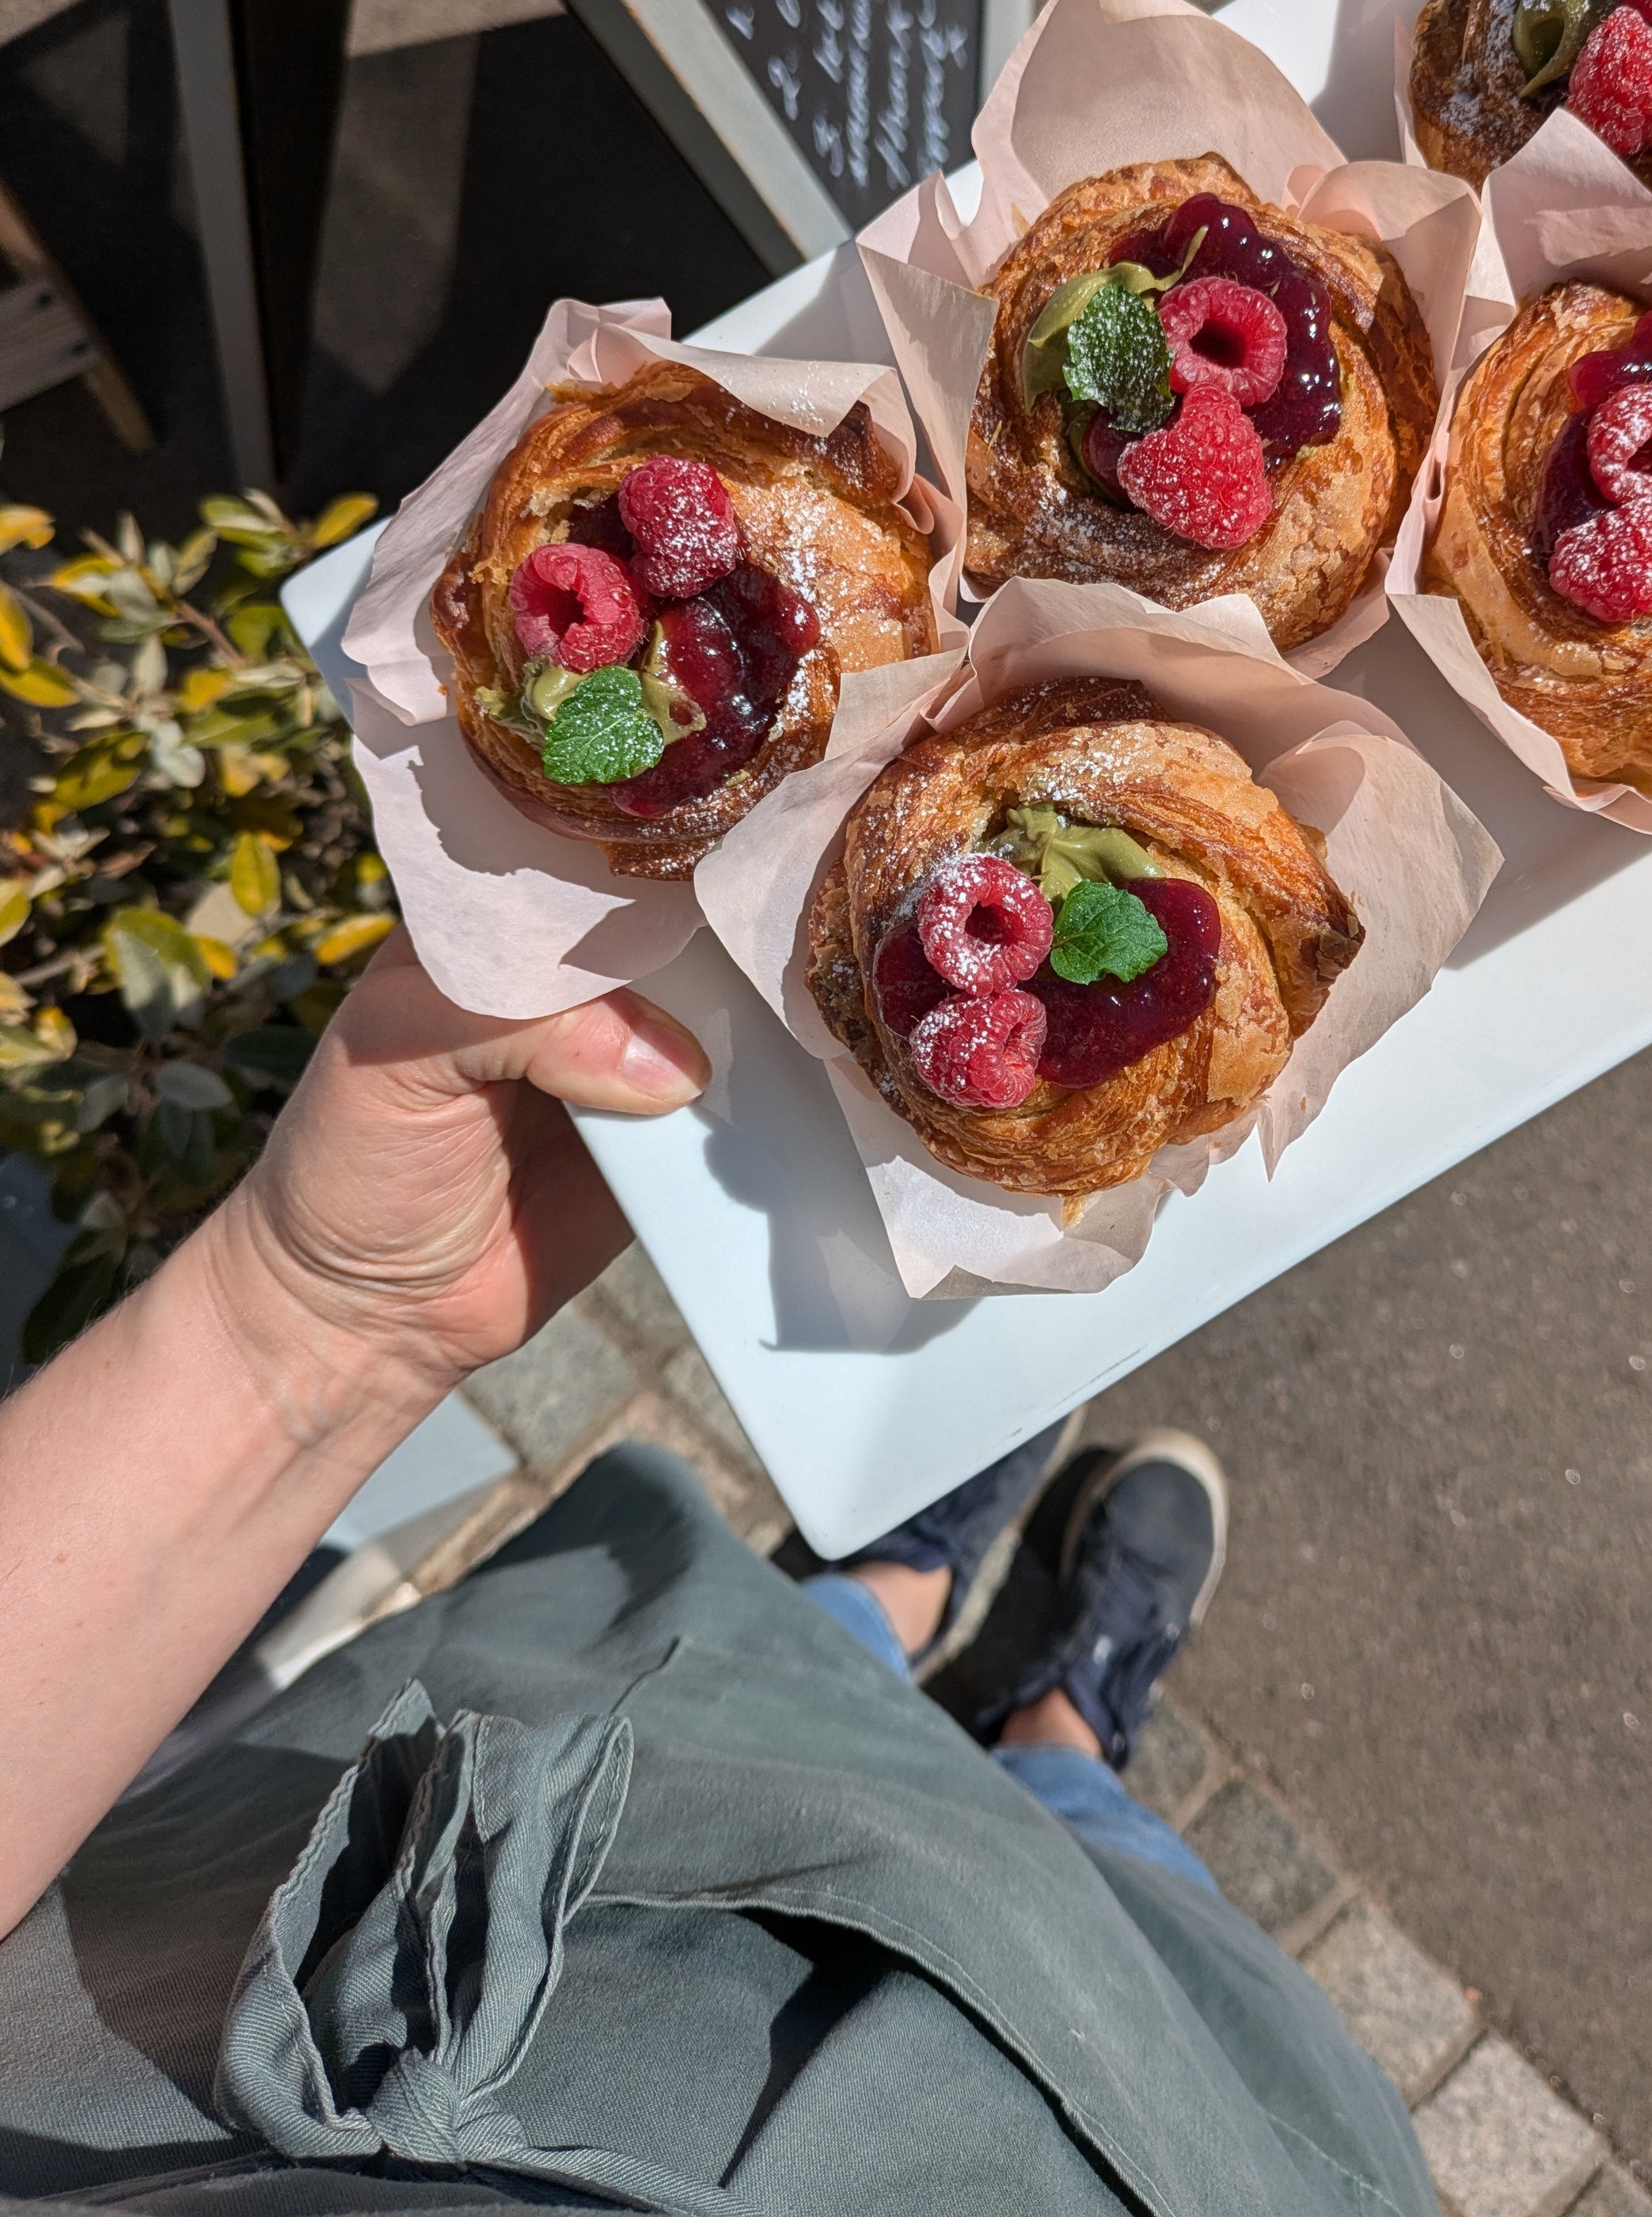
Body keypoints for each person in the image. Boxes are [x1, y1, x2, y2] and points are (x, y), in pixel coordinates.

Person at [0, 936, 1435, 2217]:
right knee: (1128, 1888)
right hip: (1185, 2128)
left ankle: (874, 1597)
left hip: (526, 1851)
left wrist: (316, 1325)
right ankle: (1070, 1736)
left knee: (773, 1667)